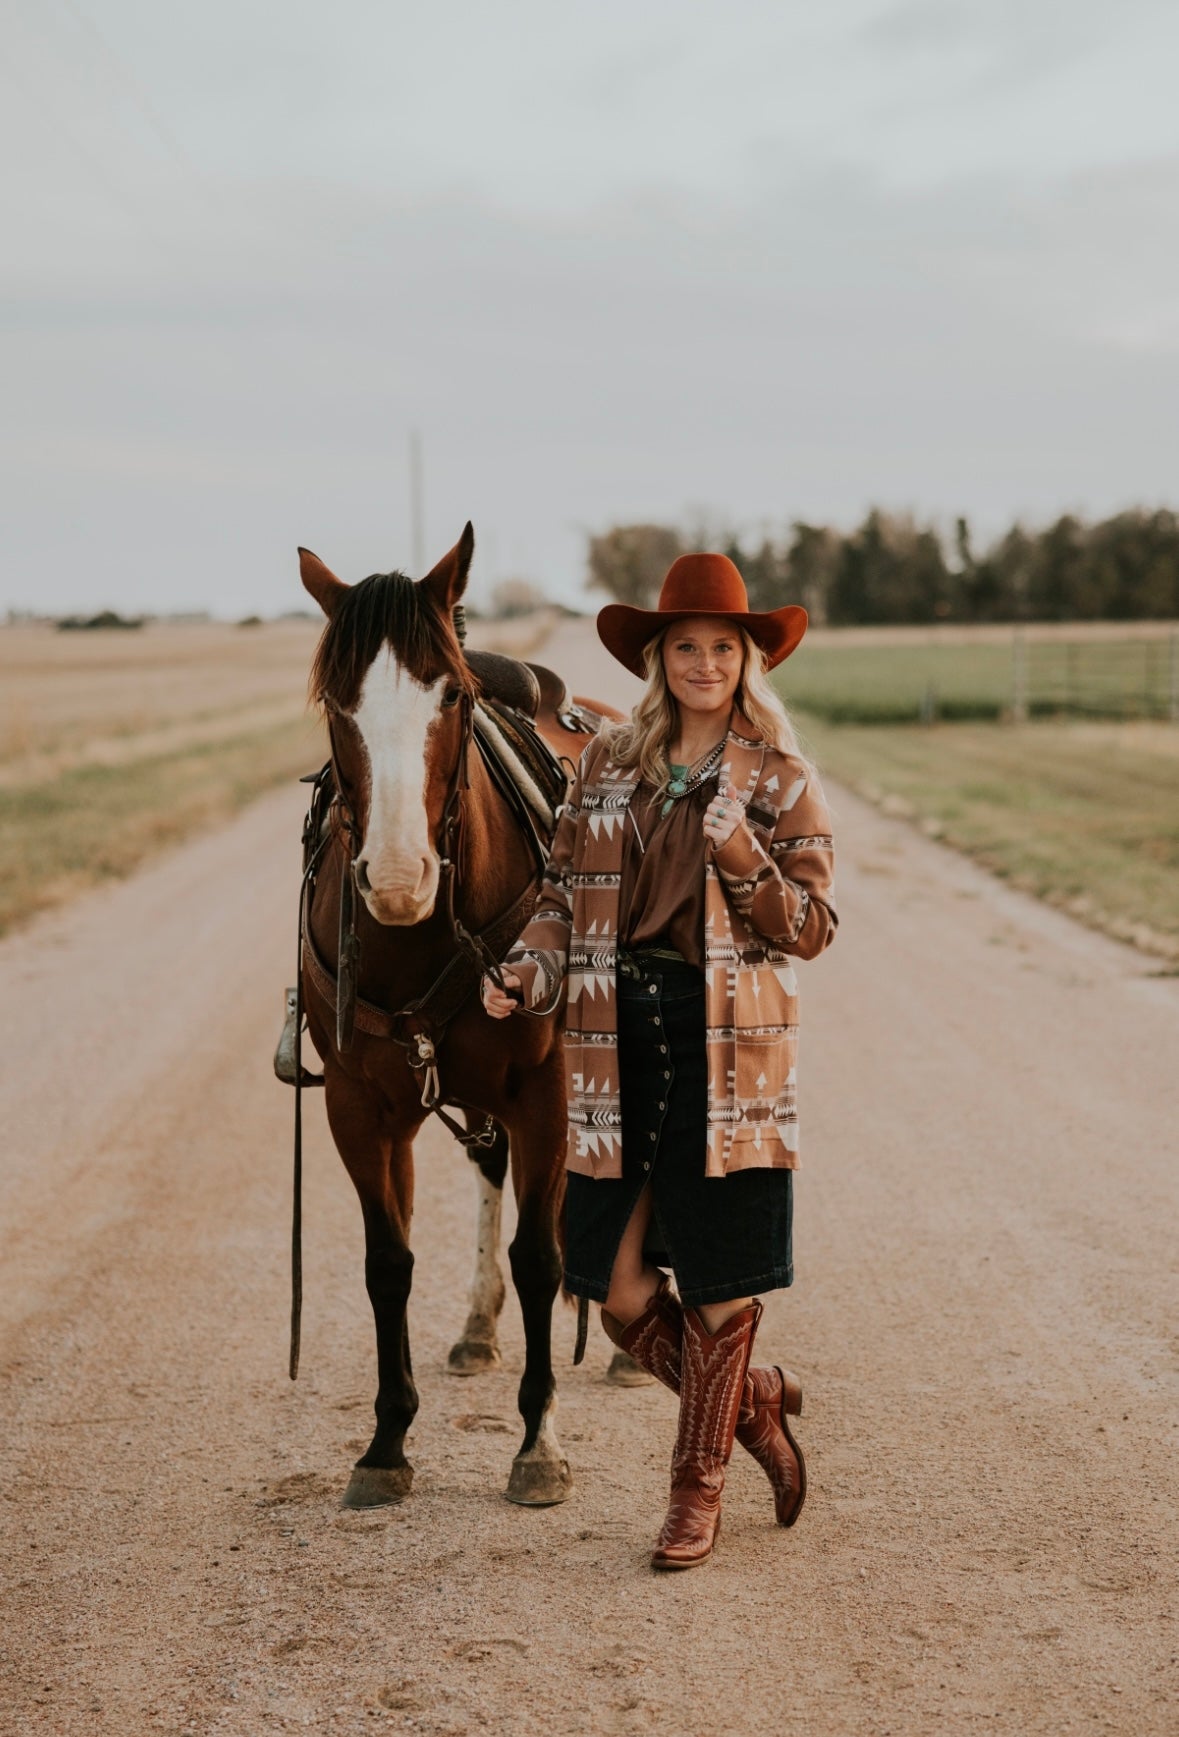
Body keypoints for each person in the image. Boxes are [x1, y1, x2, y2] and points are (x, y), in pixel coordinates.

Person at [482, 552, 837, 1570]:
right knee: (619, 1286)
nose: (704, 662)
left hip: (728, 1045)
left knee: (721, 1286)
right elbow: (557, 899)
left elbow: (809, 926)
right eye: (686, 645)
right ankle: (752, 1405)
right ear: (658, 656)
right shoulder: (607, 765)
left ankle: (695, 1492)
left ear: (747, 660)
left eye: (724, 647)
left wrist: (739, 853)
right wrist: (526, 973)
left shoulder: (779, 777)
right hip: (613, 1041)